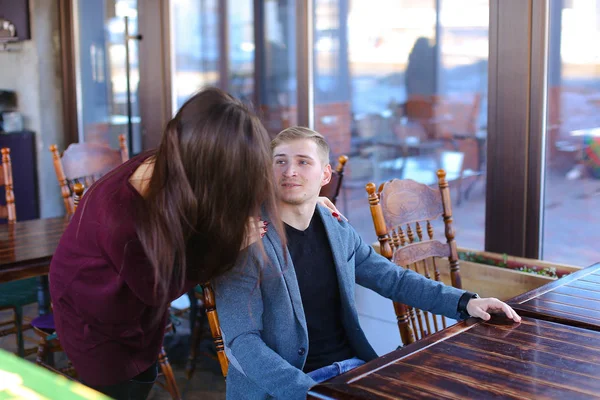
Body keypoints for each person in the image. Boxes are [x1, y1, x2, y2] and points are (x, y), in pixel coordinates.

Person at [49, 89, 340, 400]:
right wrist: (228, 247)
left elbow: (236, 191)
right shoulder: (123, 219)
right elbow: (160, 289)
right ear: (206, 166)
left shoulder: (173, 164)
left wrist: (302, 200)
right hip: (97, 320)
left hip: (135, 302)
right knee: (126, 385)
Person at [214, 126, 521, 400]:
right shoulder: (248, 240)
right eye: (280, 161)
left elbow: (394, 280)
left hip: (352, 371)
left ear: (325, 175)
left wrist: (467, 302)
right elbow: (242, 342)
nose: (289, 171)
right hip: (285, 389)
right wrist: (307, 393)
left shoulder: (338, 228)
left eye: (303, 162)